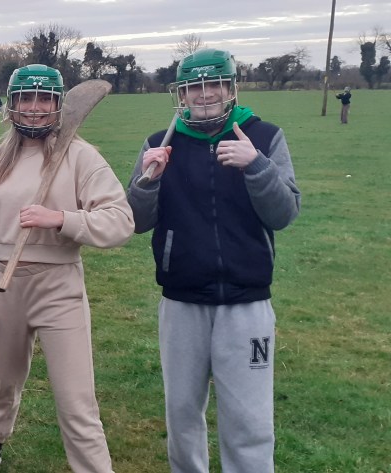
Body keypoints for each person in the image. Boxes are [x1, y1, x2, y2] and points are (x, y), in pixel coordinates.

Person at [126, 48, 300, 473]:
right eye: (193, 87)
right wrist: (148, 181)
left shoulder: (263, 136)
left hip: (247, 302)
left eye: (214, 84)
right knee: (182, 411)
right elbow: (136, 221)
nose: (204, 94)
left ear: (230, 88)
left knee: (249, 419)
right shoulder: (159, 143)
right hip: (182, 300)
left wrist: (255, 165)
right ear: (181, 94)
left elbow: (283, 214)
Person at [0, 64, 133, 472]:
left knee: (76, 401)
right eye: (26, 98)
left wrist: (62, 219)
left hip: (59, 286)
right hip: (3, 287)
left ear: (57, 105)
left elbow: (121, 221)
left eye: (44, 99)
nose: (35, 108)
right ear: (11, 105)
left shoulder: (80, 156)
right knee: (4, 381)